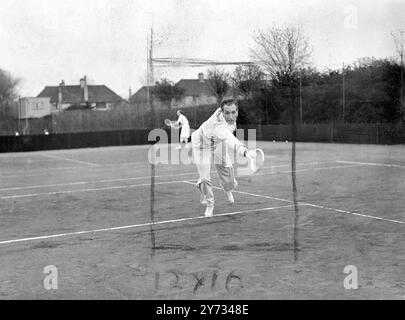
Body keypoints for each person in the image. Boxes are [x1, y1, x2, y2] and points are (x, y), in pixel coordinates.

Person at [191, 98, 257, 217]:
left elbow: (228, 137)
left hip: (217, 143)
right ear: (222, 112)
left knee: (227, 167)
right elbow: (229, 139)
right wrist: (244, 152)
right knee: (205, 178)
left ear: (237, 111)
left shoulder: (232, 122)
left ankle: (228, 190)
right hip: (201, 145)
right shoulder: (218, 125)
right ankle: (210, 204)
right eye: (227, 113)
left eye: (233, 112)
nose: (231, 116)